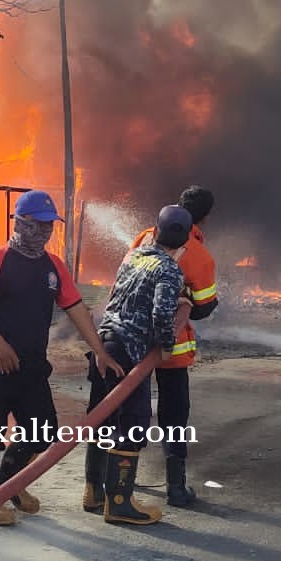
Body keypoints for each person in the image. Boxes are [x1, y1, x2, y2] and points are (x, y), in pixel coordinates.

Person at [0, 189, 122, 526]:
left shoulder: (53, 268)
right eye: (39, 224)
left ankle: (10, 483)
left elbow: (76, 309)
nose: (45, 232)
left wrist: (99, 351)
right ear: (21, 223)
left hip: (31, 366)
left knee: (43, 430)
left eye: (50, 226)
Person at [83, 205, 193, 527]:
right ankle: (119, 504)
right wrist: (165, 349)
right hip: (131, 353)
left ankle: (94, 492)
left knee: (101, 418)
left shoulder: (134, 256)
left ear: (155, 232)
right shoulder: (170, 271)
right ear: (184, 241)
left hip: (104, 345)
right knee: (132, 425)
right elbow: (160, 316)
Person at [131, 185, 218, 507]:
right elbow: (206, 305)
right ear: (205, 218)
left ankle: (118, 480)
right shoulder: (200, 255)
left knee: (128, 409)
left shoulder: (144, 236)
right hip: (173, 349)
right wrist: (185, 301)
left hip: (134, 341)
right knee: (174, 416)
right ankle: (176, 488)